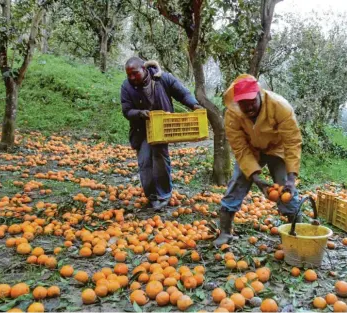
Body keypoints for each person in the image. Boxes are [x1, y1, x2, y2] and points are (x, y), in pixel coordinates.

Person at [213, 74, 303, 246]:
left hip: (276, 149)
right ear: (236, 102)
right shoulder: (233, 114)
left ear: (259, 94)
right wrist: (256, 179)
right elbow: (240, 147)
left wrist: (292, 179)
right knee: (238, 181)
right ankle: (225, 232)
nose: (248, 108)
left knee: (284, 186)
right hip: (251, 150)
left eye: (251, 102)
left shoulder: (279, 107)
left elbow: (292, 142)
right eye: (243, 104)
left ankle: (295, 231)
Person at [121, 57, 202, 211]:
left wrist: (194, 105)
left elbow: (182, 93)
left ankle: (164, 195)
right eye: (128, 75)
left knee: (160, 160)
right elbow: (126, 111)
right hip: (141, 130)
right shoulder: (127, 87)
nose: (132, 78)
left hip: (161, 127)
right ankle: (152, 197)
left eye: (134, 73)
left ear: (144, 69)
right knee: (145, 162)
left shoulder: (163, 78)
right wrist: (140, 113)